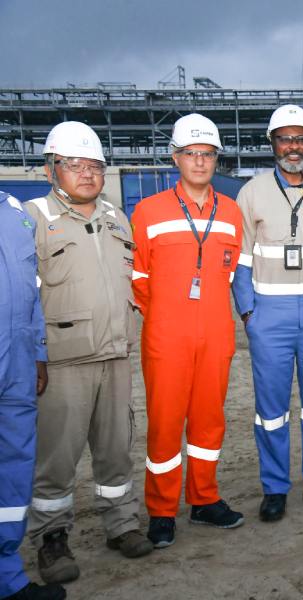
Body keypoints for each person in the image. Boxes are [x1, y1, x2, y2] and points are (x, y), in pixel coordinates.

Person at [25, 122, 152, 585]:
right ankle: (52, 538)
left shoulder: (118, 218)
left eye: (95, 165)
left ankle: (121, 524)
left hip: (116, 355)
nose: (87, 174)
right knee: (57, 457)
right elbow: (22, 294)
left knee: (117, 449)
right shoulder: (33, 217)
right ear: (51, 169)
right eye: (74, 165)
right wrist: (34, 353)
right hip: (62, 362)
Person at [131, 114, 244, 548]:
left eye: (208, 154)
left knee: (209, 421)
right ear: (176, 157)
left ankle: (204, 499)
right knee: (163, 423)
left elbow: (229, 273)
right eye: (191, 153)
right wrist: (166, 318)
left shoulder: (232, 213)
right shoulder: (148, 211)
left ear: (217, 158)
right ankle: (161, 510)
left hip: (216, 332)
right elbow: (139, 279)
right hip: (166, 334)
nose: (200, 162)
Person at [233, 105, 303, 521]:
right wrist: (249, 315)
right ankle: (275, 487)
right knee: (271, 409)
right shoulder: (252, 193)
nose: (293, 147)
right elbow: (240, 262)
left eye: (301, 138)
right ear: (272, 144)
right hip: (270, 316)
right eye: (285, 138)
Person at [0, 191, 65, 600]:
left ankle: (8, 577)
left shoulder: (14, 214)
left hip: (18, 364)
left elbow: (30, 291)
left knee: (14, 470)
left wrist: (39, 351)